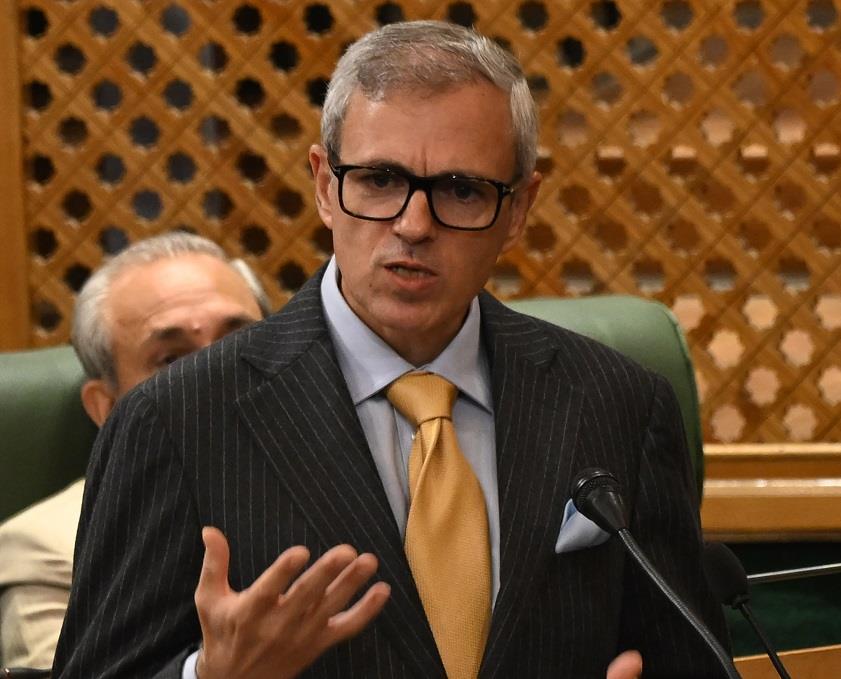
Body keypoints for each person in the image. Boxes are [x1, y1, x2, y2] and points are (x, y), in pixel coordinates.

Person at [53, 21, 729, 679]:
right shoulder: (174, 420)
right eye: (379, 180)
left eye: (461, 190)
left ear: (519, 209)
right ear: (325, 185)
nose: (413, 224)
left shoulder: (619, 404)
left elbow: (688, 659)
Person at [0, 232, 269, 669]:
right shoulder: (49, 553)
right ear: (107, 408)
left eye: (239, 343)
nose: (221, 378)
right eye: (172, 361)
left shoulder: (356, 473)